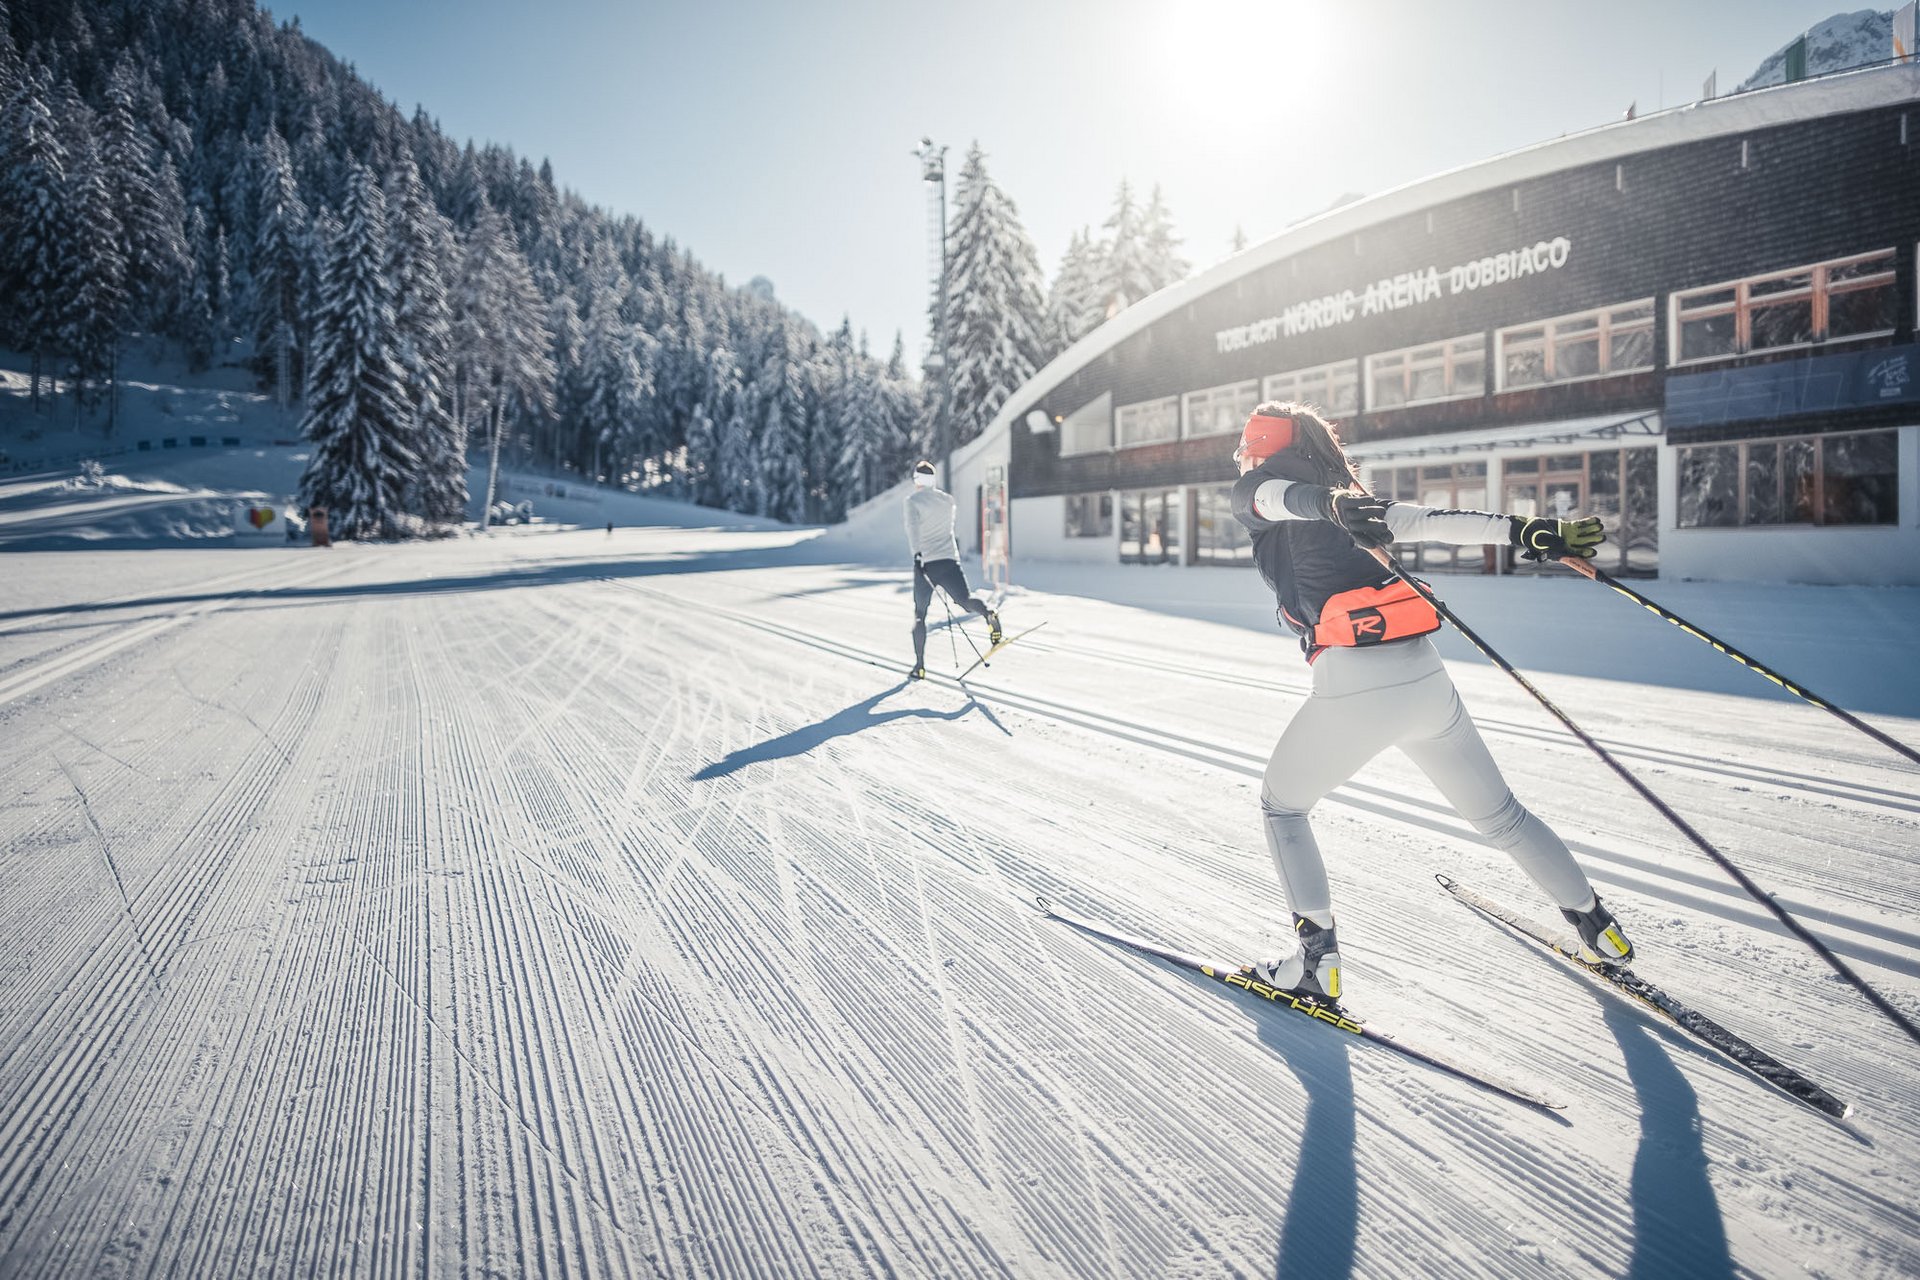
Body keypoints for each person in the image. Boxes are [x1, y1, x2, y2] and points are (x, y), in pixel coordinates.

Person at [1228, 401, 1632, 1002]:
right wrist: (1527, 531)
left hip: (1354, 688)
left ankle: (1315, 963)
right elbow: (1435, 519)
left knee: (1282, 808)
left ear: (1259, 451)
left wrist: (1332, 505)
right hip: (1425, 681)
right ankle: (1600, 932)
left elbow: (1271, 500)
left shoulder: (1264, 491)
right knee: (1503, 817)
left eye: (1245, 453)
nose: (1242, 464)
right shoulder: (1347, 500)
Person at [903, 459, 1002, 679]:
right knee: (965, 600)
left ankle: (919, 666)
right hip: (949, 561)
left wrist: (917, 555)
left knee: (920, 615)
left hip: (926, 564)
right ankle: (988, 613)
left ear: (917, 480)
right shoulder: (947, 501)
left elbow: (913, 530)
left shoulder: (912, 501)